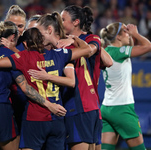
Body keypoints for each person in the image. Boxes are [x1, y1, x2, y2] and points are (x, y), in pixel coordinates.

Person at [0, 27, 95, 150]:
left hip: (34, 117)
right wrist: (74, 38)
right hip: (57, 117)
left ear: (25, 44)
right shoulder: (59, 54)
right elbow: (87, 50)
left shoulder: (22, 57)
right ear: (42, 41)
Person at [60, 5, 113, 150]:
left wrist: (75, 40)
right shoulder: (63, 40)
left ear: (75, 22)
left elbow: (105, 60)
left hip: (82, 103)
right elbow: (108, 61)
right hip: (86, 105)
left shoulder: (90, 38)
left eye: (63, 19)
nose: (60, 22)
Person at [100, 22, 151, 150]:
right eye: (124, 31)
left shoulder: (107, 51)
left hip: (106, 108)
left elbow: (130, 47)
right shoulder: (119, 52)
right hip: (122, 109)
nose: (128, 32)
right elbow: (148, 46)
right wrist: (136, 34)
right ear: (118, 37)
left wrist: (130, 37)